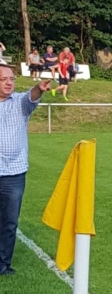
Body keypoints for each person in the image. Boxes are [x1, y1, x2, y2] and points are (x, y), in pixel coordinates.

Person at [0, 64, 51, 275]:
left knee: (9, 222)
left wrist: (39, 88)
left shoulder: (20, 103)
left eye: (12, 79)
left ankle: (3, 265)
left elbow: (31, 97)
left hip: (14, 174)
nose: (9, 83)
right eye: (4, 79)